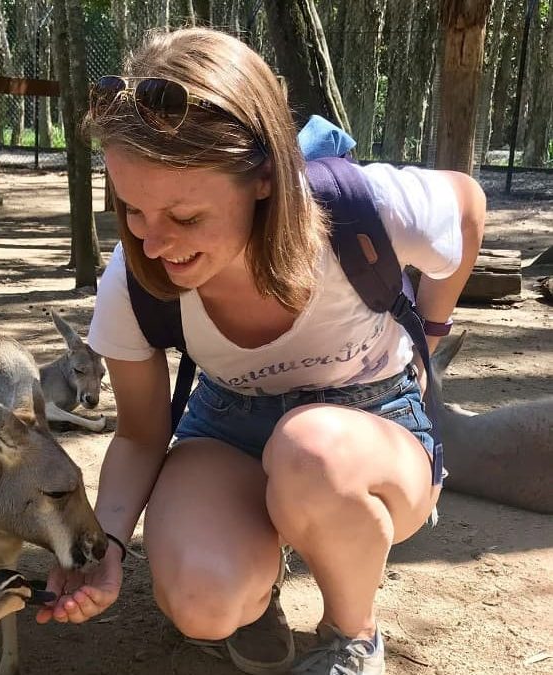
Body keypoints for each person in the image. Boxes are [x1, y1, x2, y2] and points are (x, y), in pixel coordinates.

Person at [36, 27, 485, 675]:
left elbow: (468, 208)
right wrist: (102, 542)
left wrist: (431, 333)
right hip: (228, 420)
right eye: (132, 209)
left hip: (372, 426)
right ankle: (253, 590)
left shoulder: (362, 211)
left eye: (185, 217)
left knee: (310, 451)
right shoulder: (132, 277)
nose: (153, 242)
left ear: (265, 177)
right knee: (201, 600)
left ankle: (350, 633)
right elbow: (138, 434)